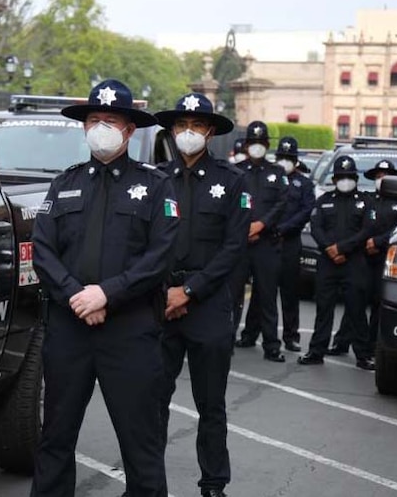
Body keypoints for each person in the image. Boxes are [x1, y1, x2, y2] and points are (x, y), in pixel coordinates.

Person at [31, 79, 178, 497]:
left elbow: (161, 256)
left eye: (111, 120)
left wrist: (107, 294)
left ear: (130, 130)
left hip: (129, 332)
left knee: (141, 444)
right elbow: (43, 250)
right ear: (84, 126)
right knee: (55, 438)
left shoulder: (155, 186)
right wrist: (78, 296)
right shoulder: (65, 184)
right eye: (94, 119)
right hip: (69, 329)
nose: (101, 127)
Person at [157, 92, 249, 497]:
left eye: (196, 126)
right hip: (161, 303)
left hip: (208, 303)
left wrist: (189, 291)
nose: (187, 133)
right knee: (152, 401)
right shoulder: (156, 180)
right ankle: (147, 480)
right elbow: (146, 243)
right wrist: (167, 292)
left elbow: (234, 248)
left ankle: (213, 483)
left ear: (210, 131)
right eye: (181, 126)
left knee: (210, 404)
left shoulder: (232, 181)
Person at [299, 155, 376, 370]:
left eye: (349, 177)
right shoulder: (323, 201)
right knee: (324, 308)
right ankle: (316, 351)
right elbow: (316, 228)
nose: (345, 180)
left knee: (357, 309)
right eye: (341, 177)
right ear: (334, 179)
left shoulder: (365, 201)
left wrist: (342, 249)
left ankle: (363, 355)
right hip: (328, 262)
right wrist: (329, 249)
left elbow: (367, 230)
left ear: (356, 178)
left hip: (354, 262)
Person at [326, 159, 397, 356]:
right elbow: (358, 226)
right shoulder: (366, 199)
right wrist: (364, 242)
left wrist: (378, 242)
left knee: (379, 304)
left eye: (385, 177)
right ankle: (342, 342)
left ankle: (372, 346)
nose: (381, 180)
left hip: (386, 259)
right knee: (355, 301)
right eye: (378, 177)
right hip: (361, 257)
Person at [232, 122, 287, 362]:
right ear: (246, 146)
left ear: (266, 145)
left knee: (266, 296)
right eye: (252, 143)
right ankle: (225, 341)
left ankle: (271, 346)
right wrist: (244, 229)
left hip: (266, 243)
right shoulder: (235, 171)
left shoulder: (277, 173)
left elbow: (281, 204)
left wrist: (261, 225)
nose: (256, 147)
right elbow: (229, 205)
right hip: (239, 243)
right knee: (232, 294)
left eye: (260, 143)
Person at [273, 137, 315, 352]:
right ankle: (256, 333)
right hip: (268, 241)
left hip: (290, 242)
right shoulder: (270, 179)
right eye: (282, 158)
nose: (285, 162)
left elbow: (306, 211)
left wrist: (284, 229)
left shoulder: (304, 184)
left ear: (296, 160)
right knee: (265, 292)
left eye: (289, 158)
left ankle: (291, 336)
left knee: (290, 293)